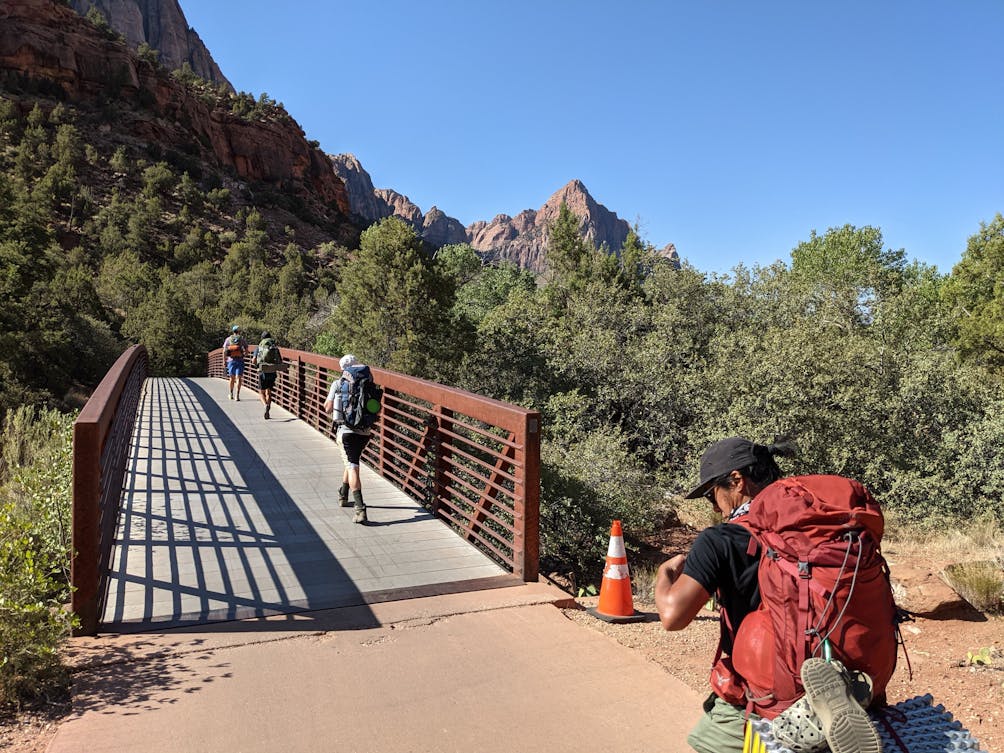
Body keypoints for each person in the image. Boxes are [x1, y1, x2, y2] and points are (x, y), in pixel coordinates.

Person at [654, 437, 793, 753]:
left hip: (762, 694)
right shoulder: (815, 524)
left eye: (711, 495)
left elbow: (672, 617)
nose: (715, 507)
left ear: (737, 480)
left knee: (709, 741)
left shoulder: (722, 539)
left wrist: (664, 576)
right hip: (840, 677)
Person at [323, 354, 373, 524]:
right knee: (350, 460)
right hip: (365, 431)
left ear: (343, 369)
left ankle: (360, 509)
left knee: (352, 466)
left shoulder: (338, 384)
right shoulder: (368, 382)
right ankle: (343, 495)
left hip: (346, 431)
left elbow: (328, 409)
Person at [255, 331, 282, 420]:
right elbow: (279, 360)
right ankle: (268, 410)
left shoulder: (259, 346)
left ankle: (265, 405)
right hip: (272, 371)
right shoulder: (274, 347)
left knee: (261, 392)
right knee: (269, 392)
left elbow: (253, 360)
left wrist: (256, 366)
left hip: (263, 371)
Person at [222, 325, 249, 401]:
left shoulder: (228, 339)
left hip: (231, 361)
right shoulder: (242, 339)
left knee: (232, 378)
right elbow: (247, 351)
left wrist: (224, 361)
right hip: (240, 360)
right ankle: (237, 395)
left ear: (233, 331)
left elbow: (224, 351)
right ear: (239, 331)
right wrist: (243, 355)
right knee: (239, 378)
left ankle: (231, 394)